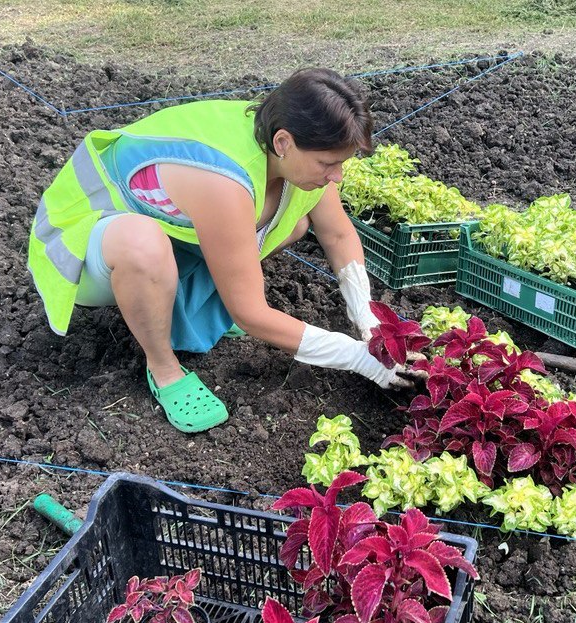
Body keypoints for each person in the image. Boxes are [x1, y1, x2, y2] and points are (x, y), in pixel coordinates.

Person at [27, 68, 417, 433]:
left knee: (294, 221)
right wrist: (356, 357)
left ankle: (190, 301)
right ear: (284, 142)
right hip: (83, 245)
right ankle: (164, 370)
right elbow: (249, 314)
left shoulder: (291, 144)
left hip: (172, 235)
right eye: (328, 164)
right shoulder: (223, 181)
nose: (337, 176)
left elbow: (337, 236)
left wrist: (369, 321)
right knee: (142, 245)